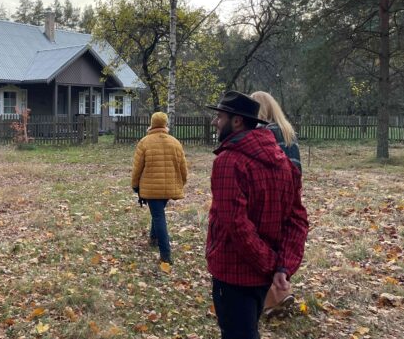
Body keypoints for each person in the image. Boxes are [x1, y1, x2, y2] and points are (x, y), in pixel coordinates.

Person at [205, 91, 308, 339]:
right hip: (264, 276)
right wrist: (282, 265)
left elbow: (237, 226)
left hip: (233, 272)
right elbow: (298, 219)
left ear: (237, 121)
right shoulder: (283, 161)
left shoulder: (229, 162)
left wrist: (274, 265)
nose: (215, 122)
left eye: (220, 116)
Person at [251, 90, 302, 316]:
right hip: (291, 194)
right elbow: (297, 167)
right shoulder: (288, 131)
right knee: (281, 243)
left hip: (271, 195)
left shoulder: (264, 133)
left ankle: (273, 299)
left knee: (264, 244)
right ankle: (282, 290)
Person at [131, 111, 188, 265]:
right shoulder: (175, 142)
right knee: (158, 212)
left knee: (158, 216)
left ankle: (165, 255)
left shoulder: (144, 142)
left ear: (152, 123)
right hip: (168, 187)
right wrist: (182, 182)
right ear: (165, 124)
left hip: (150, 188)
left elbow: (137, 168)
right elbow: (183, 167)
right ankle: (153, 239)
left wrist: (135, 185)